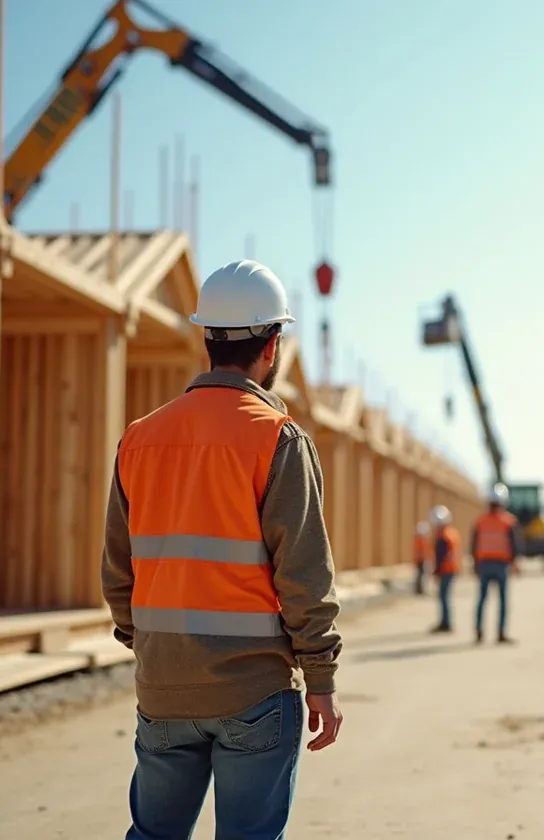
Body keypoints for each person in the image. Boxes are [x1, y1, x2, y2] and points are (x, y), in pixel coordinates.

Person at [101, 259, 344, 839]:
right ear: (273, 344)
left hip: (162, 687)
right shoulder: (276, 437)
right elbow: (304, 574)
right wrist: (322, 679)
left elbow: (118, 572)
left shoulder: (140, 437)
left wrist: (156, 649)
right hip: (253, 690)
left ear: (206, 337)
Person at [472, 482, 521, 644]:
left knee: (482, 600)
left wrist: (475, 563)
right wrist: (515, 563)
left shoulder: (480, 521)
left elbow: (474, 544)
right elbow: (514, 545)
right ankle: (500, 633)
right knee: (502, 601)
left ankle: (479, 632)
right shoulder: (508, 521)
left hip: (485, 563)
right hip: (501, 564)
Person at [429, 504, 462, 633]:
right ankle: (445, 622)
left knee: (443, 597)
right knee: (445, 597)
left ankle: (445, 623)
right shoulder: (452, 533)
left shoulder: (443, 536)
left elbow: (440, 556)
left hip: (446, 570)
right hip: (452, 569)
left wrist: (436, 571)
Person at [413, 521, 431, 596]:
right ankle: (419, 590)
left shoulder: (419, 540)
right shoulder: (421, 540)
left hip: (421, 560)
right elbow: (421, 551)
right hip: (421, 560)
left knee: (420, 575)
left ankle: (419, 589)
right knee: (421, 575)